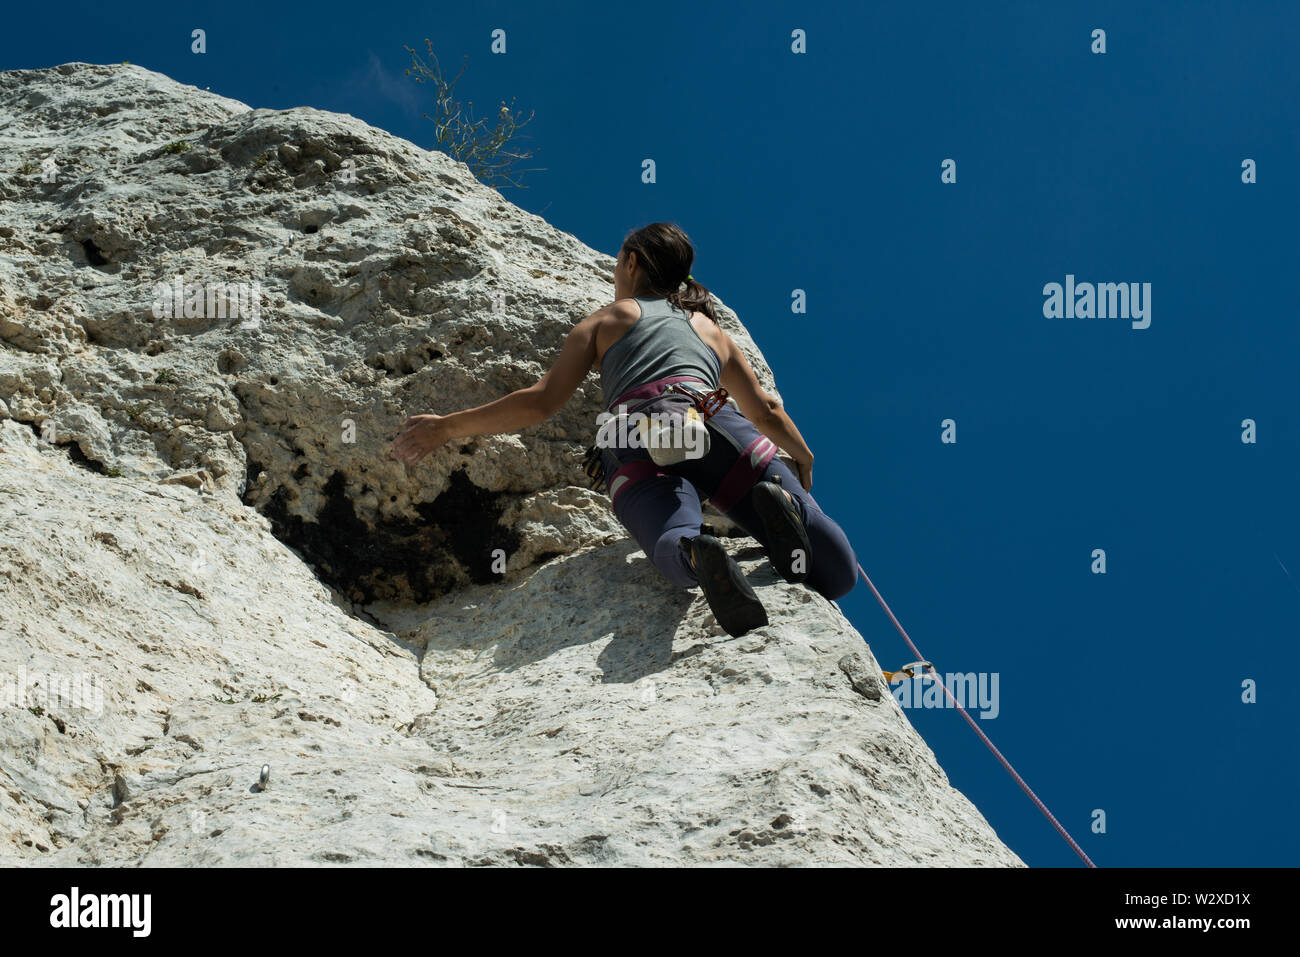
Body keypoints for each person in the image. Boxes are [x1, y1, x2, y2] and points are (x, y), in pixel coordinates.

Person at [390, 222, 857, 635]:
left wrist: (446, 427)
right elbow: (765, 411)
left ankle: (695, 553)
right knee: (838, 574)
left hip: (634, 436)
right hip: (719, 426)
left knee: (671, 541)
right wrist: (803, 453)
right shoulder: (709, 328)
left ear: (632, 263)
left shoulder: (605, 320)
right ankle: (779, 511)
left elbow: (540, 402)